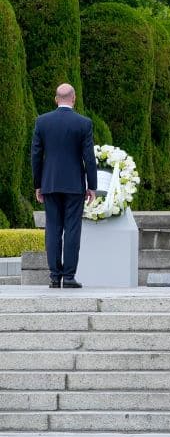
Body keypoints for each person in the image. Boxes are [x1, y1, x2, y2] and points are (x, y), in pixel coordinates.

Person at [30, 84, 96, 289]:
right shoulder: (83, 123)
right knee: (72, 230)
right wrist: (92, 185)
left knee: (53, 228)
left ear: (55, 99)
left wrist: (38, 184)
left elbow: (35, 156)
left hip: (50, 183)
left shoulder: (42, 122)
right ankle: (68, 277)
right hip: (74, 185)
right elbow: (89, 158)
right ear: (74, 98)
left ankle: (53, 276)